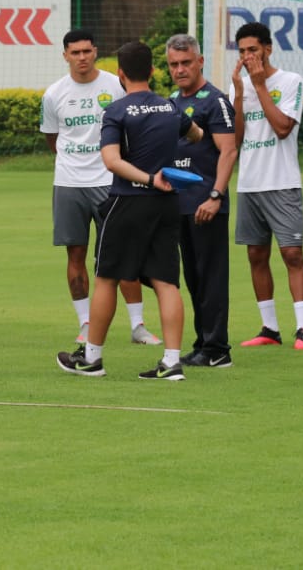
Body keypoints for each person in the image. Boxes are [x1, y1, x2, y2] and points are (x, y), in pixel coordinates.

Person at [56, 41, 189, 380]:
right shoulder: (171, 107)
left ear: (120, 74)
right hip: (167, 203)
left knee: (106, 277)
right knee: (166, 281)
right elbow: (199, 135)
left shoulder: (116, 111)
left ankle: (91, 358)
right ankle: (172, 361)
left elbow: (111, 160)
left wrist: (148, 178)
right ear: (154, 71)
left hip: (129, 200)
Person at [39, 28, 161, 346]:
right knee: (76, 253)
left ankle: (138, 326)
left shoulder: (115, 86)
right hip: (68, 183)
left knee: (123, 253)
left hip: (111, 182)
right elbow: (54, 140)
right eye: (75, 52)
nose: (82, 58)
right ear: (65, 55)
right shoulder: (53, 94)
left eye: (87, 51)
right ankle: (85, 323)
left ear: (95, 51)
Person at [232, 22, 303, 349]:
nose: (248, 56)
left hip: (282, 181)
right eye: (242, 51)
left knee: (292, 253)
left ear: (268, 48)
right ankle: (269, 329)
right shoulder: (239, 85)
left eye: (253, 49)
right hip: (249, 183)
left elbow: (282, 128)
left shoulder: (291, 81)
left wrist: (259, 86)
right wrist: (240, 94)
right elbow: (237, 140)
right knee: (256, 254)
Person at [166, 33, 238, 368]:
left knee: (211, 276)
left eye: (185, 63)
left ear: (200, 62)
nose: (180, 70)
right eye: (173, 64)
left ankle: (217, 348)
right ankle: (202, 342)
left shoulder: (216, 101)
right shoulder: (170, 100)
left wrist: (215, 196)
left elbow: (229, 150)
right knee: (192, 278)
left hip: (206, 203)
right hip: (178, 203)